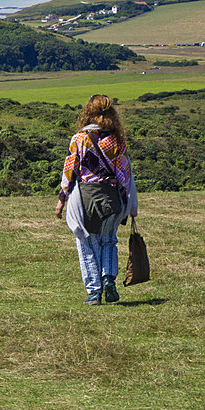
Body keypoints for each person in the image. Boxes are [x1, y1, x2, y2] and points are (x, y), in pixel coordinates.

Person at [56, 95, 138, 306]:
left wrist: (62, 199)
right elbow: (124, 175)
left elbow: (70, 171)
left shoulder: (79, 139)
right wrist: (128, 203)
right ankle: (108, 278)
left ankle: (94, 292)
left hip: (86, 198)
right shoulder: (117, 140)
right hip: (112, 198)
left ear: (87, 113)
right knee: (109, 240)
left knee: (87, 242)